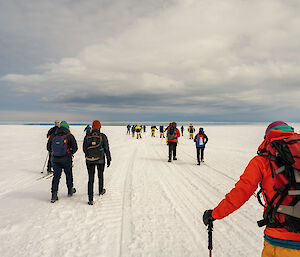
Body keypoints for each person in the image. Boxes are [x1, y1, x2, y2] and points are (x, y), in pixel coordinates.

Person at [203, 121, 300, 256]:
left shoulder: (262, 160)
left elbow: (240, 194)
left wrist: (214, 214)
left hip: (279, 241)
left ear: (267, 137)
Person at [47, 121, 78, 203]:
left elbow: (48, 148)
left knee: (56, 177)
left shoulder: (53, 135)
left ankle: (54, 195)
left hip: (55, 160)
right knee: (68, 175)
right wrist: (70, 152)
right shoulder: (69, 136)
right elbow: (75, 148)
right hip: (67, 159)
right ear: (67, 127)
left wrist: (54, 153)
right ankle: (70, 190)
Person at [83, 120, 111, 205]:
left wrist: (89, 155)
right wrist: (109, 158)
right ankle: (100, 190)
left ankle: (90, 198)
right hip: (100, 159)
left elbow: (84, 148)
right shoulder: (103, 136)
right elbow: (106, 148)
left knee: (90, 179)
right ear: (100, 127)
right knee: (100, 175)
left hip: (89, 160)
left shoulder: (87, 136)